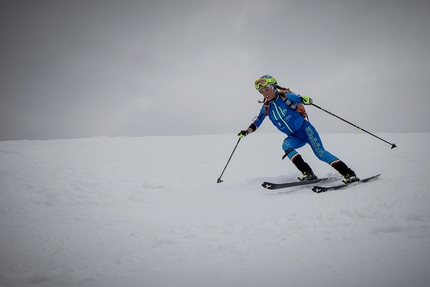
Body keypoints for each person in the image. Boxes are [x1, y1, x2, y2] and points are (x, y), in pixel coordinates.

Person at [238, 75, 358, 183]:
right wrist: (246, 132)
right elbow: (257, 122)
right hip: (294, 137)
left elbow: (300, 98)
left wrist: (306, 99)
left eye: (266, 89)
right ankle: (308, 173)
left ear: (273, 87)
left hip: (306, 130)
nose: (265, 94)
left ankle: (349, 174)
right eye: (262, 92)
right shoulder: (266, 107)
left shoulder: (285, 96)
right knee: (286, 145)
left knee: (321, 154)